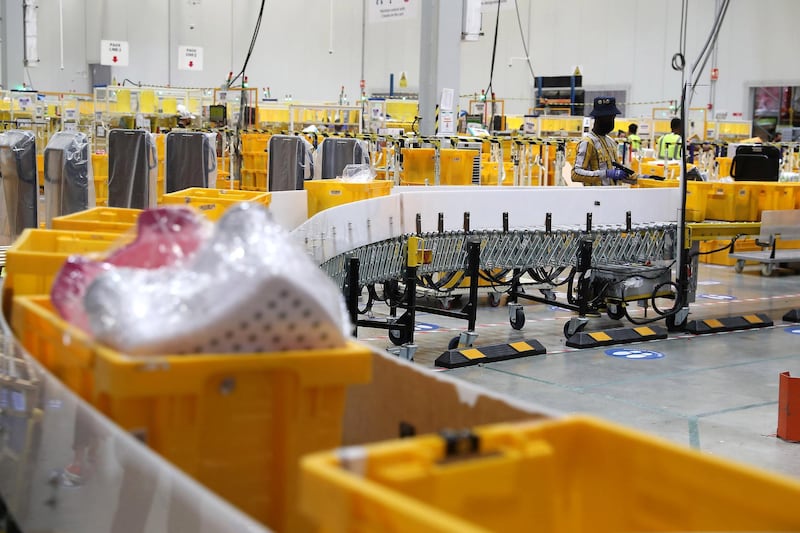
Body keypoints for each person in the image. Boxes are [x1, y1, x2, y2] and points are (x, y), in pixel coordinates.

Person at [572, 96, 633, 186]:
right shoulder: (588, 142)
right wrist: (605, 173)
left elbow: (616, 173)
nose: (612, 122)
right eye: (610, 118)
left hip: (613, 194)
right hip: (595, 196)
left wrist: (635, 177)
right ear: (598, 119)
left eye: (613, 118)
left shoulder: (611, 142)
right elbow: (575, 174)